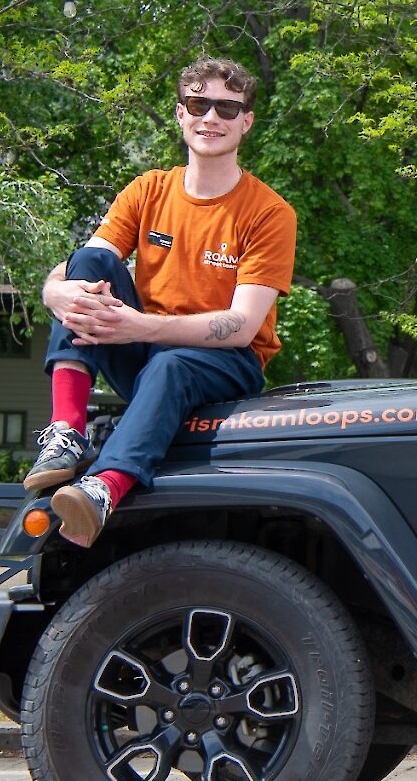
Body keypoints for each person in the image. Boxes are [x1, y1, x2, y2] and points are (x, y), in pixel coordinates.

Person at [23, 58, 297, 547]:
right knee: (89, 263)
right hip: (145, 352)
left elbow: (240, 325)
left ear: (246, 122)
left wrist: (139, 327)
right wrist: (54, 292)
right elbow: (87, 263)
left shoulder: (269, 212)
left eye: (227, 108)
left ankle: (104, 489)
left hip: (226, 364)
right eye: (199, 103)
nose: (211, 117)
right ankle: (66, 430)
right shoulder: (149, 189)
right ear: (180, 113)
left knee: (172, 363)